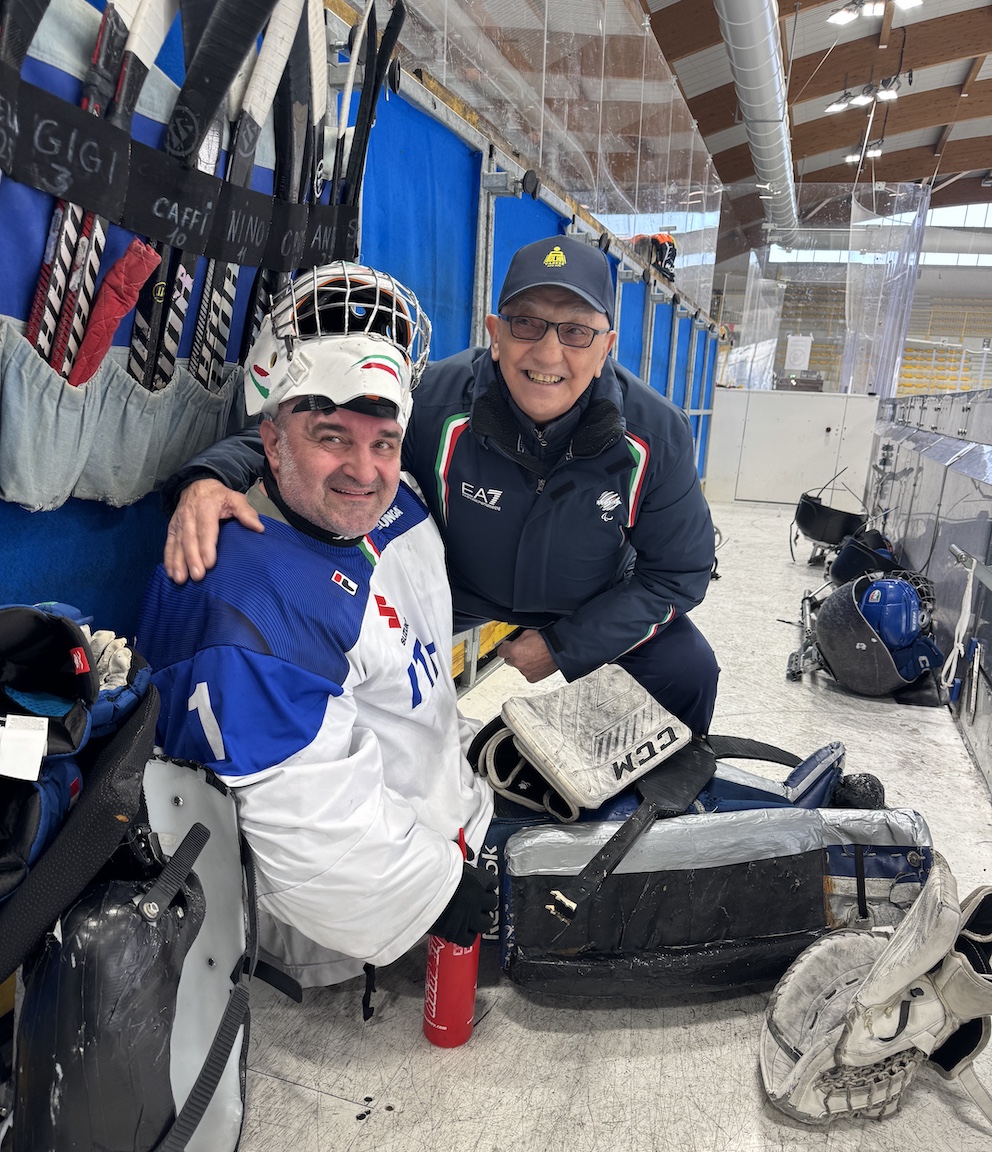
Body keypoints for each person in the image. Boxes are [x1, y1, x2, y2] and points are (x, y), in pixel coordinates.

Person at [162, 235, 719, 735]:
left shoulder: (656, 435)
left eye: (576, 332)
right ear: (495, 335)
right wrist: (211, 477)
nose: (548, 353)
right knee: (329, 629)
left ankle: (643, 803)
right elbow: (312, 434)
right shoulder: (438, 399)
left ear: (605, 348)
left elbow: (679, 573)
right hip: (460, 593)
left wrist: (565, 644)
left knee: (687, 670)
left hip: (589, 599)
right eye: (526, 324)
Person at [139, 265, 496, 989]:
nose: (364, 471)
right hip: (364, 924)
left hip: (452, 825)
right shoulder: (247, 602)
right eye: (332, 436)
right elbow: (316, 836)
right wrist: (438, 890)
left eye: (384, 442)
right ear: (271, 440)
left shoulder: (395, 502)